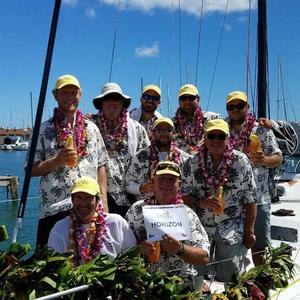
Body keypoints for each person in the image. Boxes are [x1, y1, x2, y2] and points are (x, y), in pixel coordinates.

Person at [29, 74, 108, 247]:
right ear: (55, 95)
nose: (69, 97)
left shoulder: (92, 129)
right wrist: (57, 161)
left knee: (91, 266)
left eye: (73, 92)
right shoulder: (42, 130)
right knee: (49, 267)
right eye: (64, 93)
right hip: (54, 209)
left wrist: (104, 204)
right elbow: (30, 170)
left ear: (80, 94)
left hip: (89, 208)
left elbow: (101, 167)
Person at [186, 119, 257, 282]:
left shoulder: (241, 161)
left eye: (221, 136)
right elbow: (183, 197)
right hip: (200, 230)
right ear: (205, 137)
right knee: (195, 278)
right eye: (212, 136)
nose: (216, 140)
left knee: (231, 279)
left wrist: (249, 231)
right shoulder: (192, 162)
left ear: (228, 138)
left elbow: (251, 199)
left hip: (231, 229)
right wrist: (200, 203)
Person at [125, 161, 210, 290]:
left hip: (180, 285)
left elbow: (204, 257)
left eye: (171, 179)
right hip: (144, 283)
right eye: (162, 178)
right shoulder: (136, 210)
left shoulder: (187, 214)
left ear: (179, 185)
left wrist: (180, 249)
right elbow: (122, 247)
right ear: (152, 182)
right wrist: (140, 248)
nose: (166, 183)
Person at [225, 91, 282, 265]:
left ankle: (262, 281)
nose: (235, 109)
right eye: (231, 107)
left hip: (258, 196)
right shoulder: (221, 130)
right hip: (231, 199)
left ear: (247, 107)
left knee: (260, 244)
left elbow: (278, 158)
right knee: (231, 245)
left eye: (239, 105)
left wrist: (264, 160)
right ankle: (236, 286)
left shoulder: (261, 129)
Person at [92, 82, 150, 217]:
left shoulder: (137, 129)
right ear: (101, 103)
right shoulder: (90, 128)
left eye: (116, 98)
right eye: (107, 98)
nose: (112, 102)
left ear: (123, 103)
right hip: (99, 198)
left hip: (131, 198)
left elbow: (148, 160)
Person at [48, 176, 136, 264]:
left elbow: (131, 258)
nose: (83, 203)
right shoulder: (60, 228)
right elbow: (54, 265)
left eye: (89, 197)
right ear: (72, 200)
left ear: (97, 200)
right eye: (79, 197)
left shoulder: (117, 223)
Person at [125, 117, 190, 200]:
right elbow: (127, 184)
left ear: (173, 133)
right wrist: (141, 188)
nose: (164, 133)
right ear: (153, 133)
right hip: (146, 206)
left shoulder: (184, 158)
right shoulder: (139, 157)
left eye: (168, 130)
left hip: (176, 207)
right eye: (159, 130)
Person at [172, 83, 220, 154]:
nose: (187, 101)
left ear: (198, 99)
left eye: (191, 98)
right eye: (183, 98)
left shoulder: (213, 119)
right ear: (179, 101)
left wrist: (196, 149)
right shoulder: (171, 124)